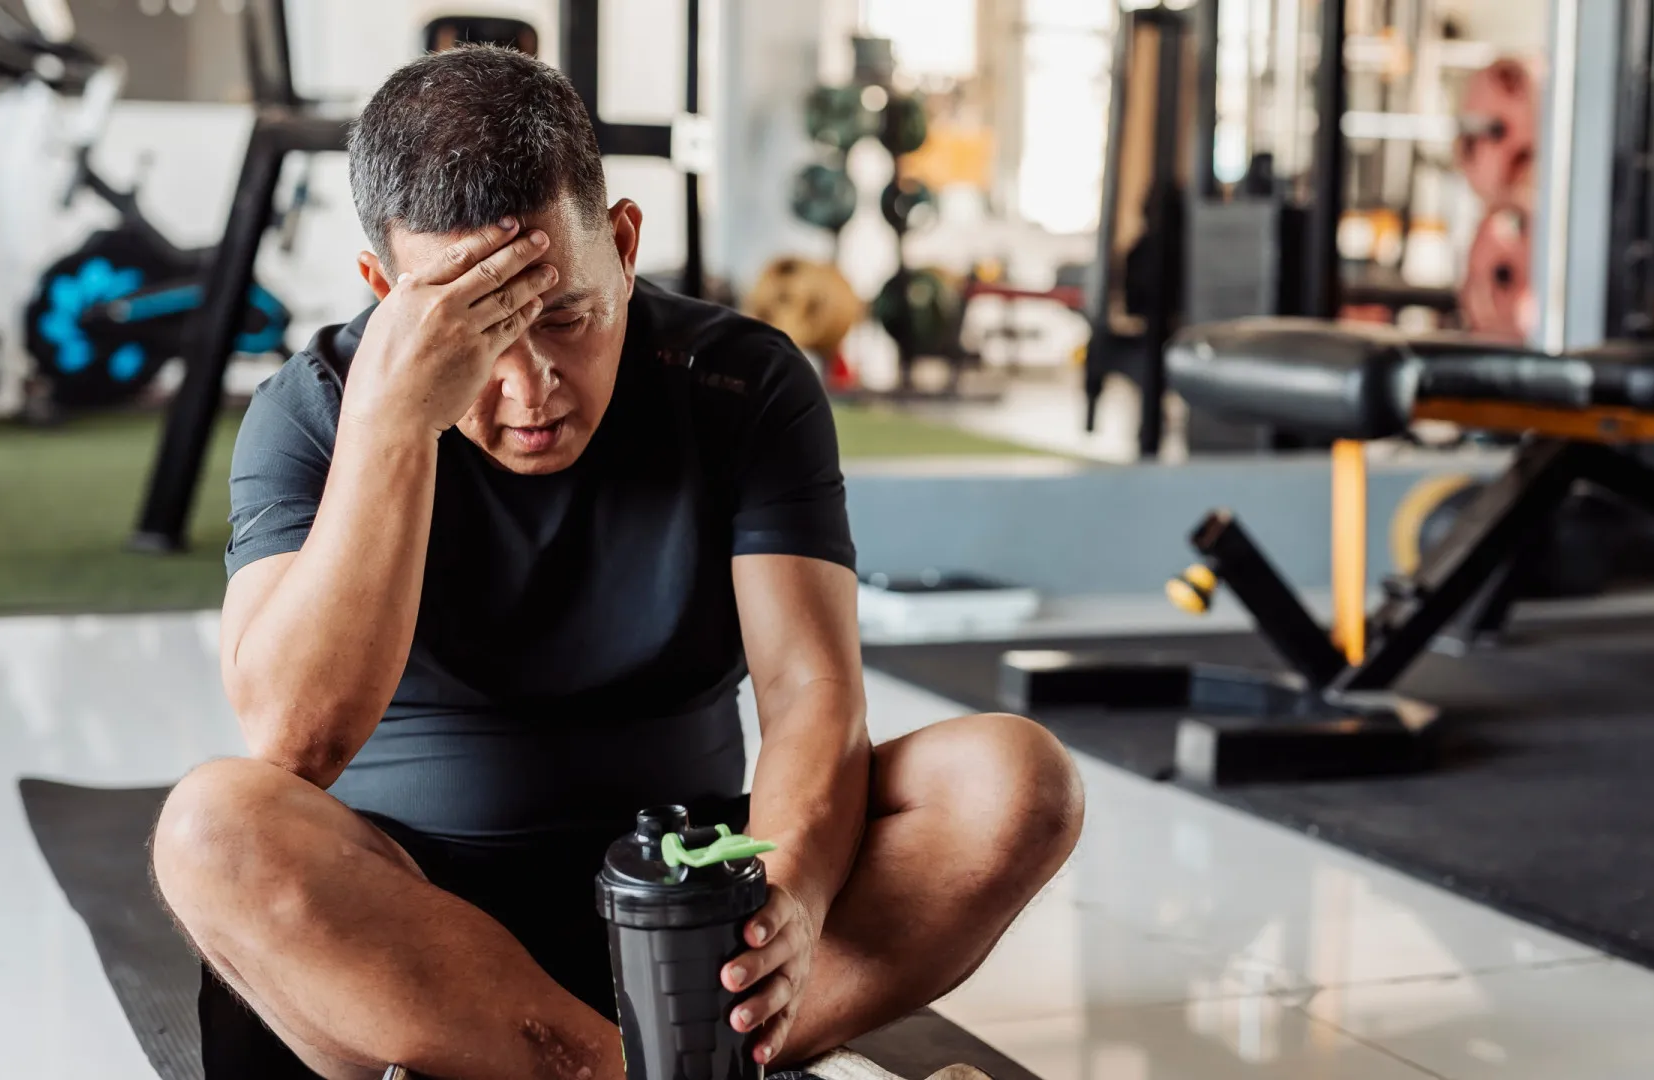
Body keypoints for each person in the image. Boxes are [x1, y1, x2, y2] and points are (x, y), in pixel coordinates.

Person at [152, 45, 1083, 1080]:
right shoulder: (311, 415)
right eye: (473, 338)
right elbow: (294, 737)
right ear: (384, 294)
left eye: (565, 315)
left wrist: (789, 900)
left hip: (695, 906)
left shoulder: (742, 383)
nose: (530, 388)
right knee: (212, 830)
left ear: (625, 245)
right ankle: (637, 1068)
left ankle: (606, 1061)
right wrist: (392, 425)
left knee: (1014, 781)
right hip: (411, 927)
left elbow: (814, 695)